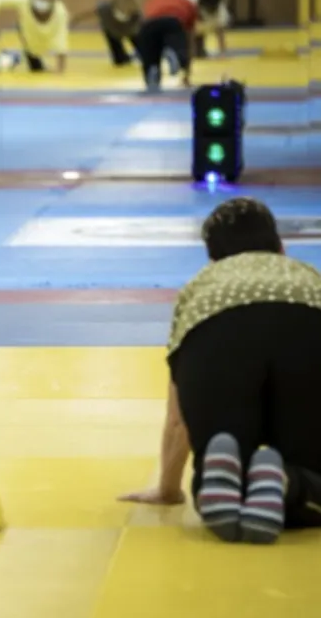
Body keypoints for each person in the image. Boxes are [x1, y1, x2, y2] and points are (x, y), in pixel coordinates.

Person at [119, 197, 321, 545]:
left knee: (217, 459)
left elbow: (177, 418)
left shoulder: (203, 287)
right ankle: (287, 483)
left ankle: (223, 479)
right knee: (312, 472)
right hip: (307, 328)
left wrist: (168, 489)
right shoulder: (308, 278)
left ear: (213, 259)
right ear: (281, 247)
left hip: (216, 334)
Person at [144, 0, 230, 58]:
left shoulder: (221, 13)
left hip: (201, 27)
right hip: (185, 26)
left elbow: (220, 33)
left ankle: (197, 48)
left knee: (199, 51)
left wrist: (222, 53)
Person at [136, 0, 198, 92]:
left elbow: (144, 20)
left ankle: (152, 73)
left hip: (148, 26)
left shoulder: (153, 0)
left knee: (151, 56)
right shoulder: (187, 2)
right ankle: (173, 52)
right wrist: (186, 74)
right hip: (172, 22)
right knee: (178, 46)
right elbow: (190, 36)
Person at [72, 0, 142, 67]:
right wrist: (78, 18)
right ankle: (123, 57)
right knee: (119, 61)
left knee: (143, 50)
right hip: (113, 31)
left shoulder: (135, 15)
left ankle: (139, 53)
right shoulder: (105, 9)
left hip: (129, 30)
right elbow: (92, 12)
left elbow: (143, 26)